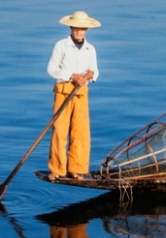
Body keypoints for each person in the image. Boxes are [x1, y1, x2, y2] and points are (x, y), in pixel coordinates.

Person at [47, 11, 102, 180]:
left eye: (82, 29)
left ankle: (76, 168)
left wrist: (91, 75)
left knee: (80, 130)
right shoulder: (61, 46)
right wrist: (72, 75)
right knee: (60, 130)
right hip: (63, 90)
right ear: (71, 28)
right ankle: (56, 169)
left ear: (86, 30)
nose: (78, 31)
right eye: (76, 28)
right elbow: (52, 69)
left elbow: (95, 70)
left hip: (80, 92)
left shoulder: (90, 49)